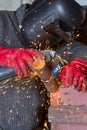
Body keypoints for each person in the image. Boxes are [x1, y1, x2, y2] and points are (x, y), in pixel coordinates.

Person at [0, 0, 87, 130]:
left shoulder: (53, 40)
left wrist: (80, 64)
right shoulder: (3, 22)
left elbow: (77, 49)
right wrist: (3, 54)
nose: (53, 34)